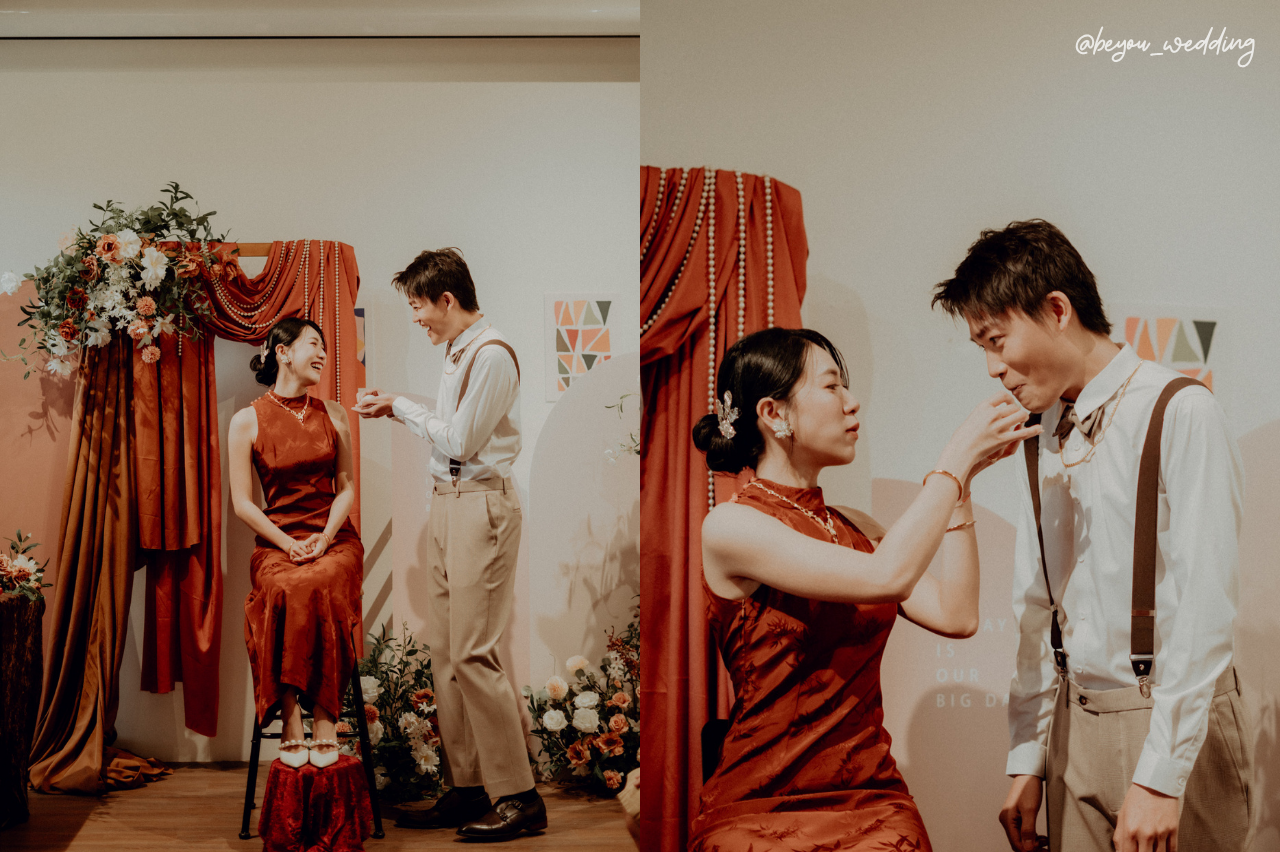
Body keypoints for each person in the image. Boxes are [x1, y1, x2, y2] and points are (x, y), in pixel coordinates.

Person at [933, 219, 1253, 852]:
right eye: (981, 348)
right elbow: (1036, 605)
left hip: (1173, 724)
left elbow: (1203, 609)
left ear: (1057, 310)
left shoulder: (1179, 409)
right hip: (1073, 728)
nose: (993, 368)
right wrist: (1028, 757)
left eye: (997, 340)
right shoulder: (1038, 433)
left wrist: (1161, 775)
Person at [689, 327, 1039, 851]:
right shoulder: (731, 526)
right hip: (761, 800)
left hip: (873, 797)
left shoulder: (854, 526)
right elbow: (887, 577)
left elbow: (957, 616)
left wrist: (961, 489)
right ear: (774, 413)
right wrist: (954, 458)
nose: (853, 403)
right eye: (832, 386)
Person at [354, 248, 543, 841]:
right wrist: (400, 410)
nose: (416, 319)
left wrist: (401, 406)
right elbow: (452, 437)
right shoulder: (459, 350)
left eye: (418, 307)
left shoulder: (492, 354)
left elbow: (460, 440)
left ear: (446, 299)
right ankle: (468, 787)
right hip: (450, 502)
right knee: (447, 652)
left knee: (473, 654)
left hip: (481, 506)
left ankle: (519, 797)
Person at [228, 316, 364, 770]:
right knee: (285, 587)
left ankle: (325, 719)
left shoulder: (335, 414)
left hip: (335, 538)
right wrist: (288, 544)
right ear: (282, 352)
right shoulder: (246, 420)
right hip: (277, 541)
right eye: (313, 344)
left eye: (324, 346)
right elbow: (242, 504)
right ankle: (290, 720)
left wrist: (325, 537)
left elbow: (346, 488)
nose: (322, 353)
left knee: (319, 582)